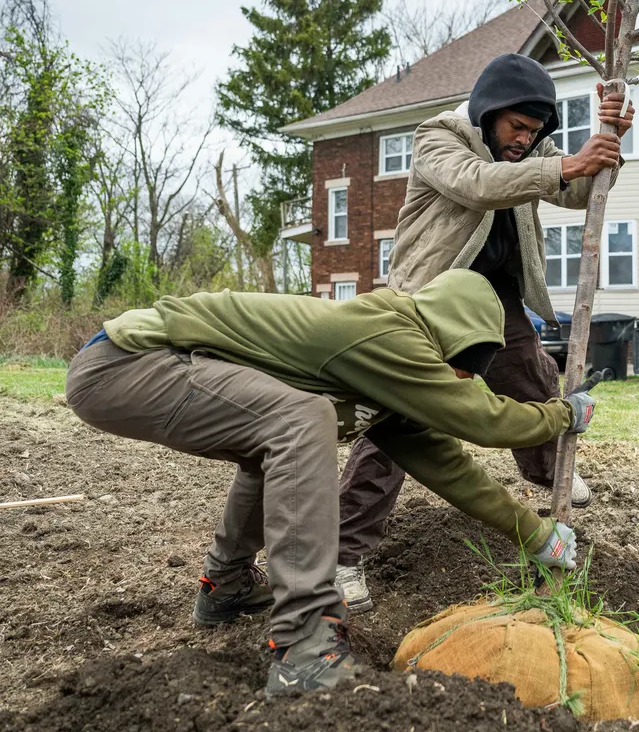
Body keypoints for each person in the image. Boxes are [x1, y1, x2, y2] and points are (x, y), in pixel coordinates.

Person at [63, 269, 595, 697]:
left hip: (149, 369)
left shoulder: (390, 379)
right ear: (447, 333)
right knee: (303, 419)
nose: (461, 381)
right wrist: (558, 415)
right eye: (462, 366)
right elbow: (483, 421)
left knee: (274, 439)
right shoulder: (387, 333)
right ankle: (304, 640)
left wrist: (535, 533)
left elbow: (447, 464)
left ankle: (223, 588)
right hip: (128, 362)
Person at [335, 52, 633, 613]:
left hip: (496, 298)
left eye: (536, 130)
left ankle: (551, 475)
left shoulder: (533, 149)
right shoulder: (438, 136)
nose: (526, 139)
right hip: (427, 300)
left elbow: (575, 190)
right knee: (403, 421)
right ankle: (342, 554)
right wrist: (568, 165)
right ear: (489, 111)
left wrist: (607, 139)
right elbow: (476, 184)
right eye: (517, 127)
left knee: (537, 382)